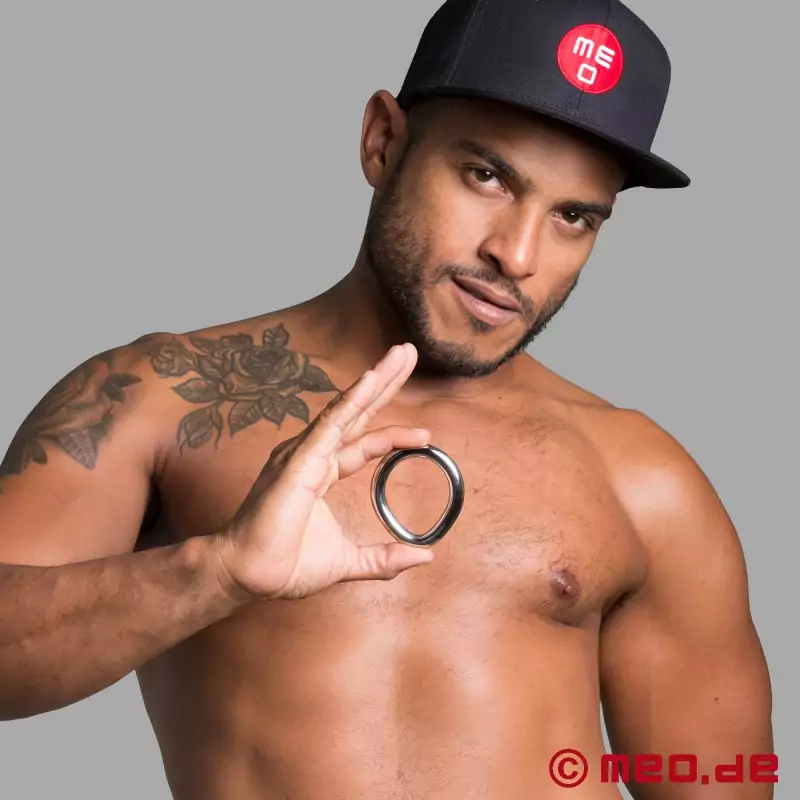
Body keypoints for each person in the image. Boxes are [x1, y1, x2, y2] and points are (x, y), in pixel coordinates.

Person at [0, 0, 774, 797]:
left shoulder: (643, 478)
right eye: (486, 176)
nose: (517, 255)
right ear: (383, 141)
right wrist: (218, 573)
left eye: (573, 217)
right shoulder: (162, 399)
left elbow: (724, 783)